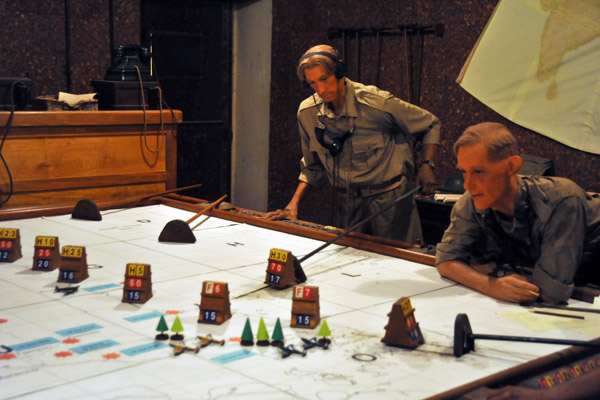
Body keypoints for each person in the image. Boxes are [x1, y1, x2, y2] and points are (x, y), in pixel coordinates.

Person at [265, 44, 441, 244]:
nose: (321, 90)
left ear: (339, 72)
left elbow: (430, 124)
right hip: (346, 203)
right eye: (312, 83)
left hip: (389, 201)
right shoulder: (307, 113)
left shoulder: (377, 104)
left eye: (324, 79)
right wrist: (293, 205)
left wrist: (427, 165)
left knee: (399, 260)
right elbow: (312, 167)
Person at [436, 122, 600, 304]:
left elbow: (551, 293)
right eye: (464, 172)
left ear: (512, 167)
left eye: (479, 171)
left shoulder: (561, 200)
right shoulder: (475, 197)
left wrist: (488, 272)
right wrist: (491, 285)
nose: (468, 184)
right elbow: (445, 261)